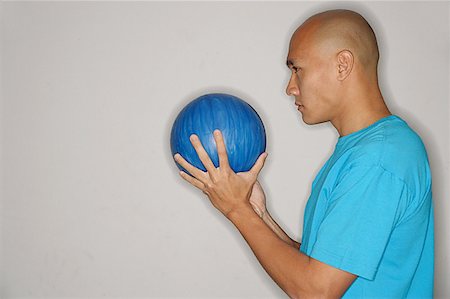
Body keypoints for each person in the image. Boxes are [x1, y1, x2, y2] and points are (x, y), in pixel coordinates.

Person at [174, 9, 434, 298]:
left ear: (342, 65)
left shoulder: (379, 159)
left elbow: (316, 292)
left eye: (297, 68)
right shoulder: (366, 151)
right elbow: (322, 267)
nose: (290, 87)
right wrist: (258, 214)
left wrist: (237, 210)